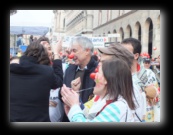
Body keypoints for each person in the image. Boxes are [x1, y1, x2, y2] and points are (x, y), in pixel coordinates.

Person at [61, 59, 136, 122]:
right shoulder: (106, 101)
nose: (94, 76)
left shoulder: (117, 107)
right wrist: (75, 108)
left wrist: (74, 106)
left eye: (98, 72)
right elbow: (91, 118)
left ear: (107, 79)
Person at [10, 41, 63, 122]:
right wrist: (56, 54)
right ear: (43, 56)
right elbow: (58, 81)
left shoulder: (11, 70)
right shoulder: (46, 72)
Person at [97, 43, 145, 122]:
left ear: (118, 63)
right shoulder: (113, 83)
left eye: (104, 62)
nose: (99, 65)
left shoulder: (131, 86)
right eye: (100, 62)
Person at [60, 36, 98, 122]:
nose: (71, 55)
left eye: (74, 51)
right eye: (71, 51)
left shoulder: (98, 71)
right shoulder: (69, 69)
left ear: (87, 51)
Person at [121, 37, 160, 122]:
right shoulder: (117, 75)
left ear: (136, 55)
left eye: (125, 52)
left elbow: (157, 99)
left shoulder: (149, 74)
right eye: (120, 52)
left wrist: (150, 93)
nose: (121, 55)